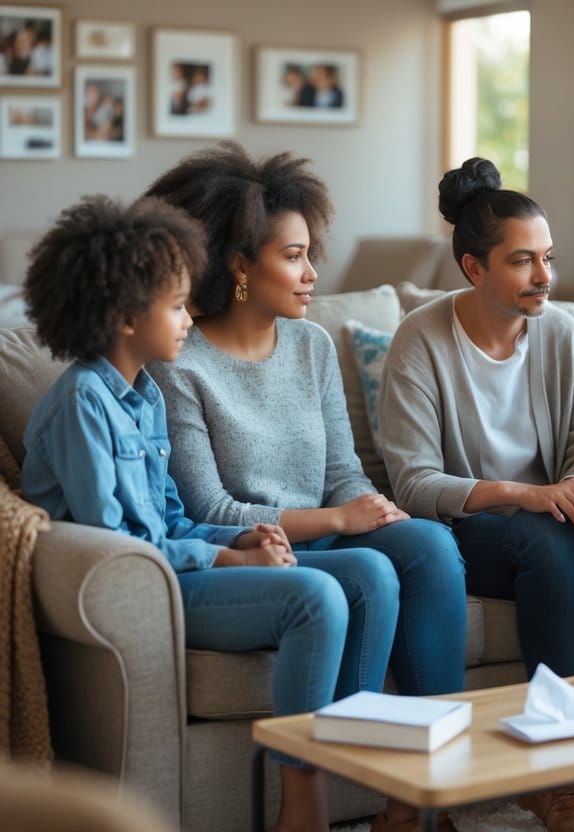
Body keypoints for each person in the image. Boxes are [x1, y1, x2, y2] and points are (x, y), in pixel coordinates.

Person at [20, 195, 401, 832]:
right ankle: (302, 807)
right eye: (176, 305)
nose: (189, 320)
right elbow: (121, 543)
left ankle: (354, 767)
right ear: (123, 315)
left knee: (370, 574)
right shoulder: (86, 402)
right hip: (148, 591)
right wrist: (229, 556)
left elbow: (171, 518)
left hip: (179, 567)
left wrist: (243, 534)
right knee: (318, 597)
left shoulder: (142, 397)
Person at [143, 142, 467, 832]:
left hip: (319, 534)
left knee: (430, 545)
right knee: (371, 570)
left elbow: (342, 473)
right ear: (236, 265)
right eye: (292, 256)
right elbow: (208, 508)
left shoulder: (312, 344)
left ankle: (421, 795)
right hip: (249, 549)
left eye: (309, 252)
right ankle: (343, 770)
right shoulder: (180, 362)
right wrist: (340, 523)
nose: (312, 273)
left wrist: (373, 510)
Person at [377, 157, 574, 832]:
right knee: (544, 538)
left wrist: (573, 486)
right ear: (473, 268)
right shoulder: (419, 340)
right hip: (458, 534)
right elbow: (414, 484)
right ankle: (562, 780)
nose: (544, 277)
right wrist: (524, 494)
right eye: (521, 261)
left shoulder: (563, 333)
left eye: (547, 258)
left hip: (551, 525)